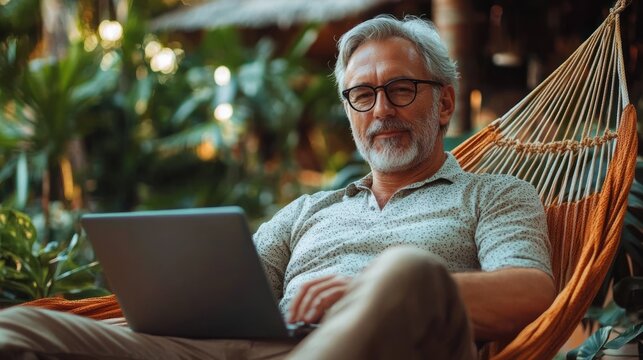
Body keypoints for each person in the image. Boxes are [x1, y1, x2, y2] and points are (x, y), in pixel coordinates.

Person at [0, 15, 555, 359]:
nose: (381, 109)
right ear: (351, 113)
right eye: (363, 95)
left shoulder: (495, 195)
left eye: (401, 89)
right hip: (262, 348)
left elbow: (532, 294)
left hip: (397, 345)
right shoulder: (310, 210)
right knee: (22, 326)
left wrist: (368, 290)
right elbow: (230, 296)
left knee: (406, 271)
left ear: (446, 102)